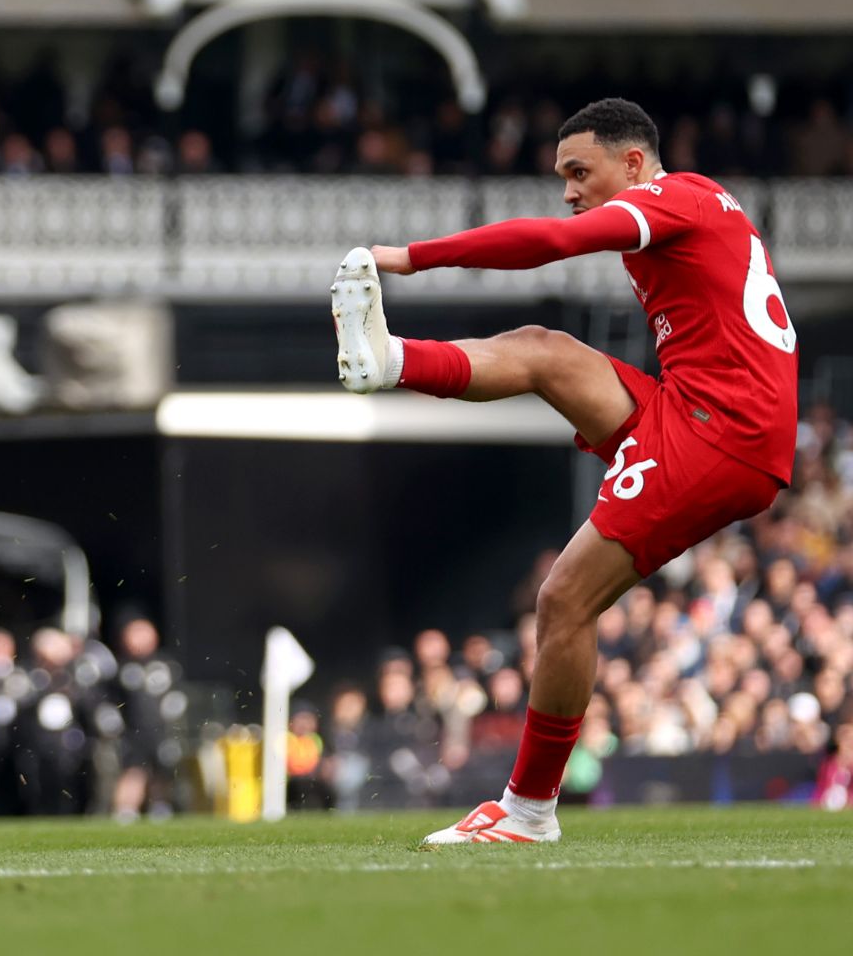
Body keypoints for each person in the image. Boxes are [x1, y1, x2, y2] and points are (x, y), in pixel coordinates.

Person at [332, 97, 798, 843]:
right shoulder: (703, 199)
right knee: (545, 350)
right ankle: (389, 361)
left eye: (580, 172)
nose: (570, 190)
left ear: (635, 163)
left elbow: (551, 240)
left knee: (563, 600)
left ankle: (528, 811)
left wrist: (410, 256)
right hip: (695, 410)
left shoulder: (667, 199)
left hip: (721, 432)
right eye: (564, 176)